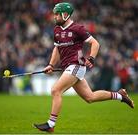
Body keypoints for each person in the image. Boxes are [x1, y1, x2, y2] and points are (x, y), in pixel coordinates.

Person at [33, 2, 134, 133]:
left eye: (57, 14)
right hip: (68, 67)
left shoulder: (77, 28)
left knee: (55, 90)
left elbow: (95, 43)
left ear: (65, 15)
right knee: (90, 97)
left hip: (76, 65)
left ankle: (51, 124)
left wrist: (91, 58)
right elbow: (57, 49)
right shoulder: (57, 30)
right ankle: (120, 95)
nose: (54, 17)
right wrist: (51, 65)